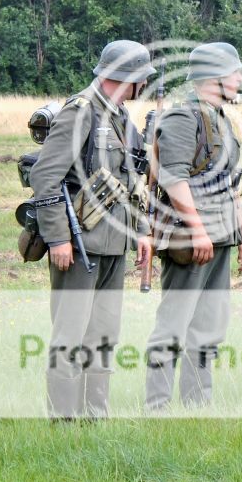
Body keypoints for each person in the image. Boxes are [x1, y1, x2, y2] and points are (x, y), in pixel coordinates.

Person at [30, 40, 155, 419]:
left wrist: (143, 233)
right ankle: (64, 423)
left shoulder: (118, 116)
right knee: (70, 337)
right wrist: (58, 238)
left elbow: (131, 181)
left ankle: (94, 418)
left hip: (113, 246)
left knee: (103, 335)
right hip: (80, 243)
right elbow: (45, 176)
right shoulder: (81, 111)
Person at [144, 42, 242, 411]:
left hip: (221, 235)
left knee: (209, 325)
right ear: (215, 77)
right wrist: (198, 230)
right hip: (192, 237)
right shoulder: (183, 118)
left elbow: (227, 182)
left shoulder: (218, 117)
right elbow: (173, 179)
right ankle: (157, 405)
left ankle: (197, 403)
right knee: (174, 324)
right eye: (235, 72)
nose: (240, 78)